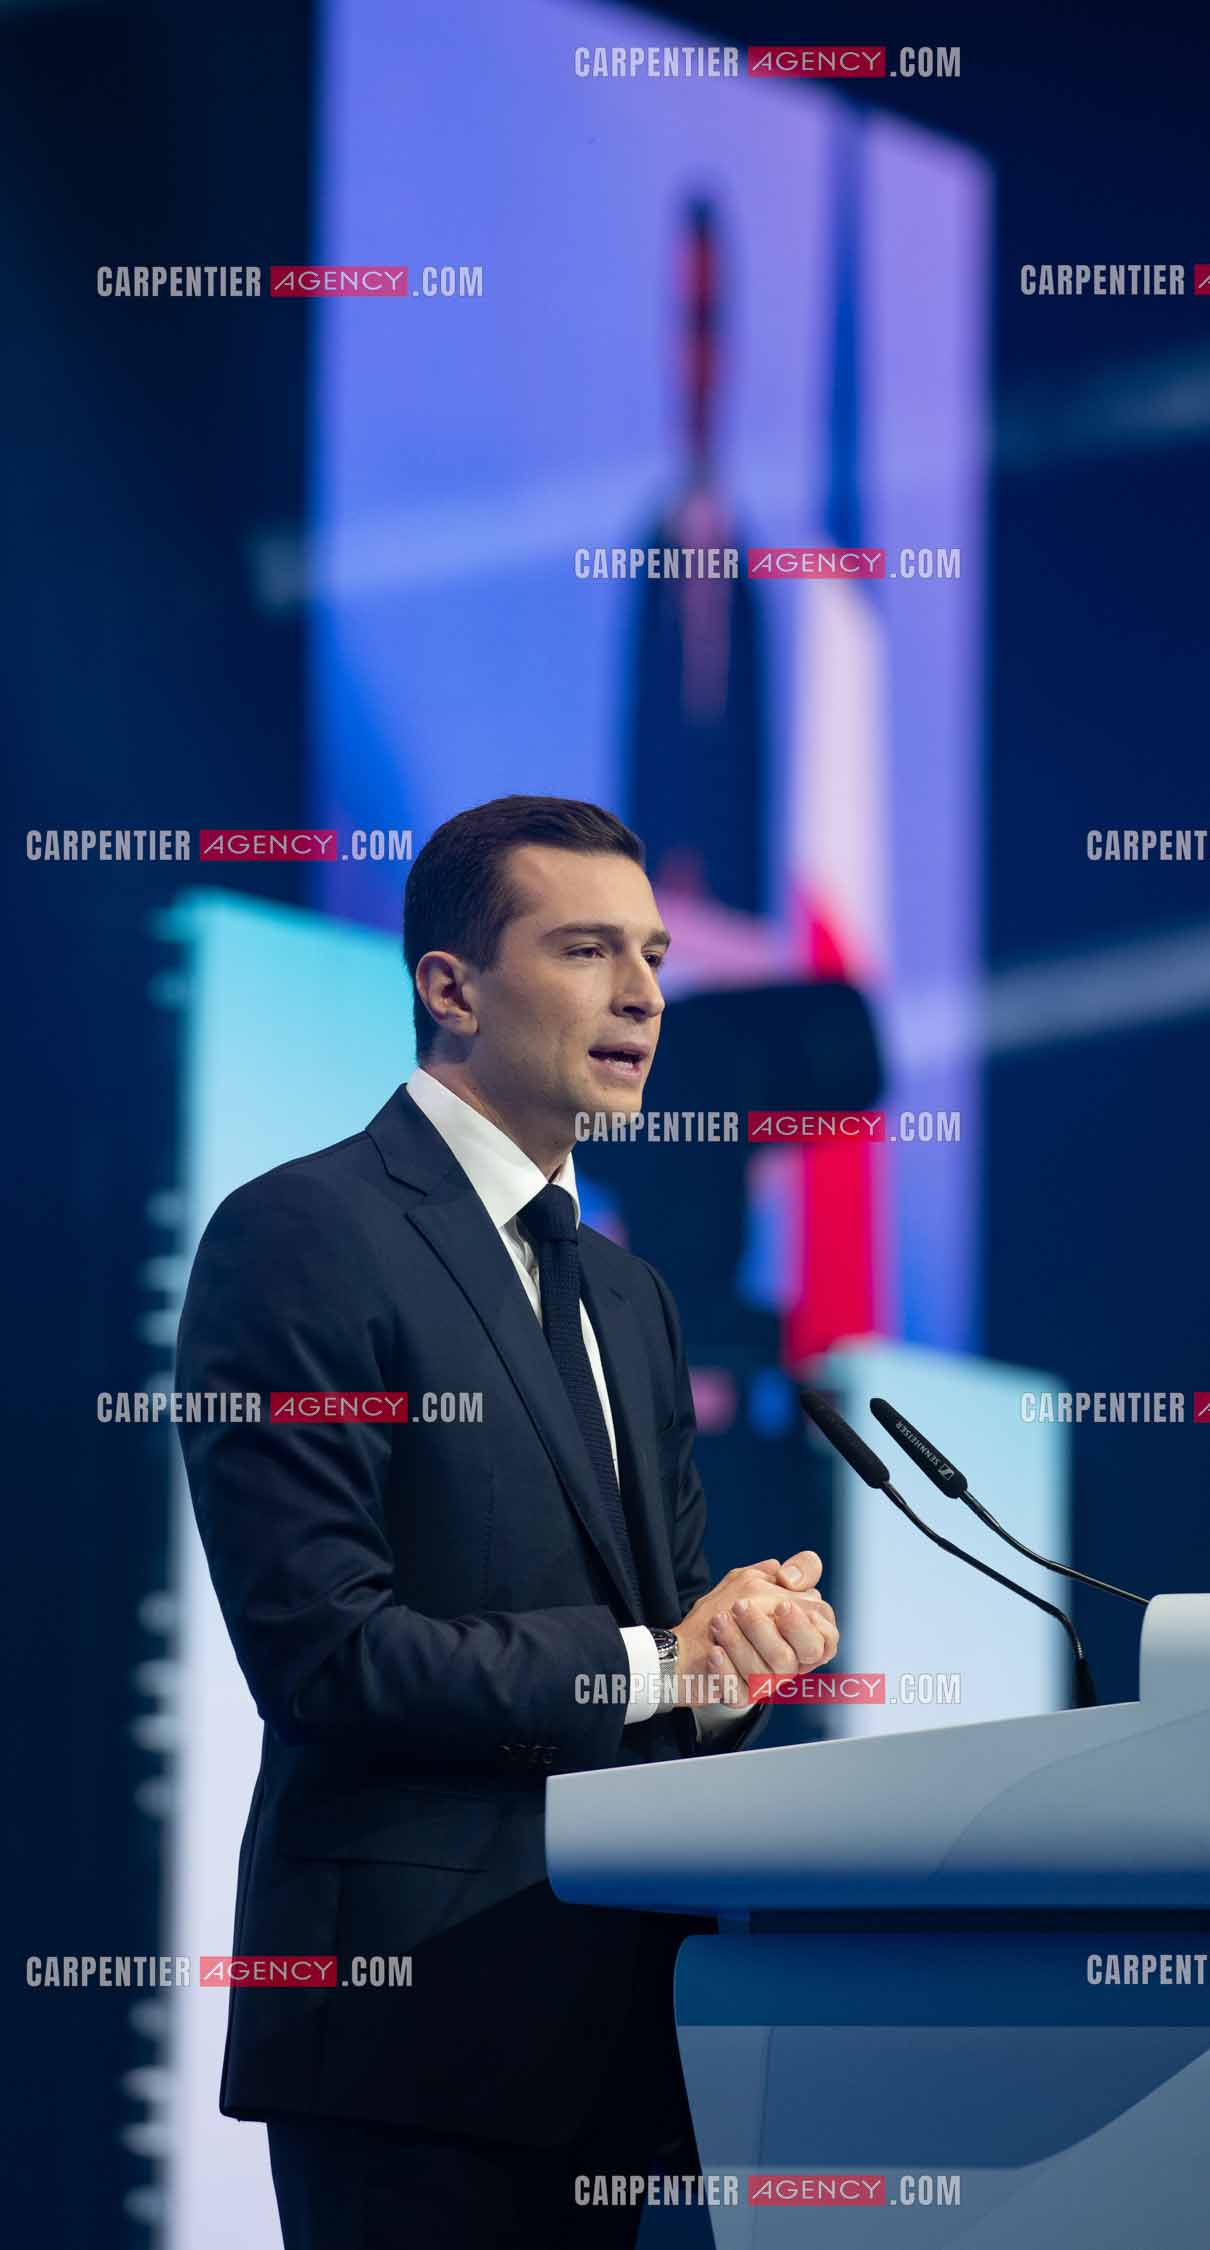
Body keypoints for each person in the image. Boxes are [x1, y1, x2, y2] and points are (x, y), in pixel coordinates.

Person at [176, 794, 840, 2246]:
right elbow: (328, 1657)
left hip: (634, 2047)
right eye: (589, 949)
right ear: (451, 986)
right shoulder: (302, 1237)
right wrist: (660, 1659)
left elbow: (664, 1663)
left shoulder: (632, 1300)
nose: (646, 995)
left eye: (654, 954)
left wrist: (731, 1663)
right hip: (411, 2045)